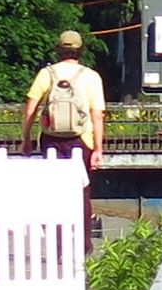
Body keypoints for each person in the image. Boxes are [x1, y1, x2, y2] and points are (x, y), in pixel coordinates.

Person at [21, 30, 106, 247]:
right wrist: (98, 149)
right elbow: (98, 114)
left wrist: (26, 139)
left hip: (51, 139)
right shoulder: (91, 76)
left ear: (59, 50)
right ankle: (84, 244)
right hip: (82, 139)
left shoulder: (47, 74)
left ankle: (58, 244)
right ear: (81, 51)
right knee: (82, 190)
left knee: (54, 191)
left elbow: (30, 108)